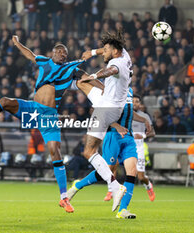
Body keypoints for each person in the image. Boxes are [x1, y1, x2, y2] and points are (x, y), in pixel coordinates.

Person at [0, 35, 96, 213]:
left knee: (55, 152)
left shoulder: (71, 68)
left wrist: (103, 87)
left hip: (49, 116)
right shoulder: (44, 62)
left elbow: (88, 78)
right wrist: (17, 44)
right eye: (59, 51)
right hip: (32, 109)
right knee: (4, 101)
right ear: (52, 53)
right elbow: (30, 54)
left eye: (65, 53)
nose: (62, 54)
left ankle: (64, 197)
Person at [71, 30, 135, 212]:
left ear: (115, 51)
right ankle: (114, 187)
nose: (103, 53)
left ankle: (115, 187)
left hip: (106, 108)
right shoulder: (124, 55)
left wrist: (95, 75)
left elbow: (111, 70)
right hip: (110, 102)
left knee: (89, 151)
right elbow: (106, 53)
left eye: (106, 50)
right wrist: (93, 52)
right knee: (80, 79)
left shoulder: (117, 63)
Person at [67, 88, 151, 219]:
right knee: (107, 171)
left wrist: (144, 120)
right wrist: (117, 126)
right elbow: (101, 113)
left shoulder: (128, 90)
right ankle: (77, 185)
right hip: (113, 135)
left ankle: (123, 210)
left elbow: (129, 112)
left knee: (132, 172)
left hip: (128, 136)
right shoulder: (112, 89)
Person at [131, 94, 156, 201]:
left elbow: (153, 133)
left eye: (137, 101)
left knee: (141, 177)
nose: (135, 103)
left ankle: (148, 185)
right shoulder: (126, 115)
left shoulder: (145, 116)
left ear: (140, 104)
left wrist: (143, 135)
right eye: (133, 101)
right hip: (128, 147)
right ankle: (111, 191)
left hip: (139, 148)